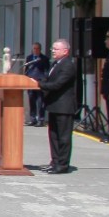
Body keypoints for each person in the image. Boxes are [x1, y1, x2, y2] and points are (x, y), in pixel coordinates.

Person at [38, 38, 77, 173]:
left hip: (64, 107)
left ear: (65, 51)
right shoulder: (56, 64)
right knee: (53, 136)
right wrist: (39, 82)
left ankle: (62, 164)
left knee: (63, 137)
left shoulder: (68, 65)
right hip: (54, 105)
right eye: (52, 49)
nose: (53, 51)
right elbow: (47, 79)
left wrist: (38, 84)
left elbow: (57, 84)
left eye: (56, 49)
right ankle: (54, 161)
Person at [23, 42, 48, 126]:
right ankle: (33, 119)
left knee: (40, 101)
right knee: (31, 100)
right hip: (30, 82)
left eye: (37, 48)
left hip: (39, 82)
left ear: (40, 49)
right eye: (34, 48)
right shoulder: (29, 58)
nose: (35, 50)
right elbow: (26, 69)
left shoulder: (44, 58)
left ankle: (41, 119)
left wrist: (43, 80)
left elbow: (46, 71)